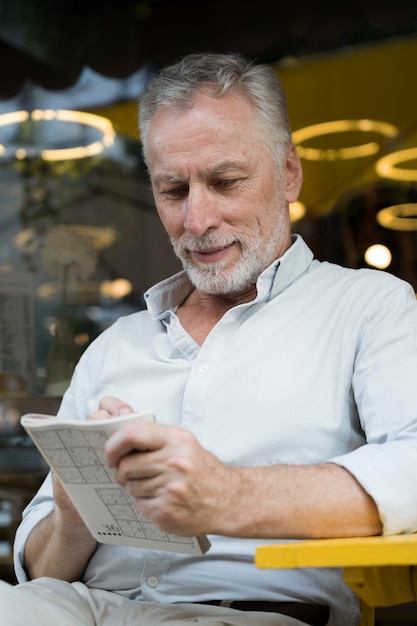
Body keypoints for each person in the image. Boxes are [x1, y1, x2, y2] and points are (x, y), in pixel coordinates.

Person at [2, 52, 417, 626]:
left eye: (224, 182)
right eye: (173, 190)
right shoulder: (117, 344)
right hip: (78, 608)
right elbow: (39, 572)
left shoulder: (369, 307)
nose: (196, 220)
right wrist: (76, 516)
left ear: (290, 171)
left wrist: (226, 495)